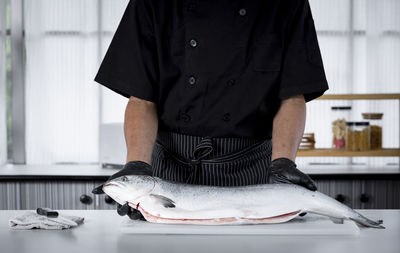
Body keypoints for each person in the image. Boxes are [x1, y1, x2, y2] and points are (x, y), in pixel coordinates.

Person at [92, 0, 329, 220]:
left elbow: (293, 94)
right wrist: (137, 166)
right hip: (167, 177)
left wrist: (283, 163)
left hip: (251, 173)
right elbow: (141, 97)